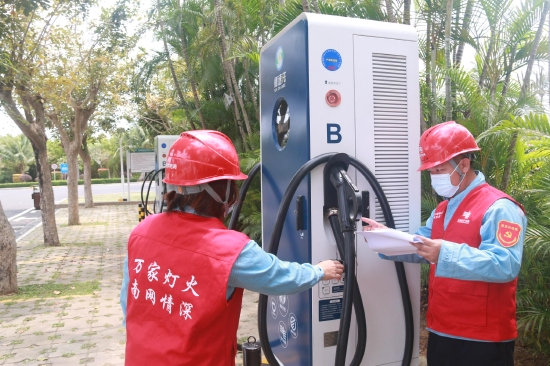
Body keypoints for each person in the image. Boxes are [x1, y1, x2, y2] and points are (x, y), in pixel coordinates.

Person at [120, 130, 344, 365]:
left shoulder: (142, 231)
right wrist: (319, 271)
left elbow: (129, 300)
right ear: (222, 190)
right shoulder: (229, 250)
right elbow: (278, 276)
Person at [362, 121, 527, 366]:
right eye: (431, 171)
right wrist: (387, 238)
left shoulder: (499, 207)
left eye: (439, 169)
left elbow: (505, 265)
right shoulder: (442, 209)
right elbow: (421, 247)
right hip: (442, 330)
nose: (434, 177)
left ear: (463, 165)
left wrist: (445, 254)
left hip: (484, 339)